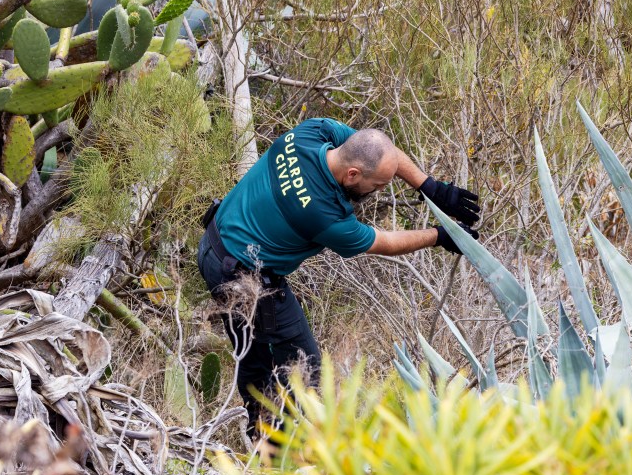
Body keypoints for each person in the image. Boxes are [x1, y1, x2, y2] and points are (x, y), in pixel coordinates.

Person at [197, 117, 480, 441]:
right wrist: (438, 236)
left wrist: (431, 187)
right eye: (377, 187)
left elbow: (378, 148)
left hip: (214, 243)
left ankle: (261, 437)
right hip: (242, 279)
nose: (377, 193)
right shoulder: (323, 215)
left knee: (255, 355)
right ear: (353, 175)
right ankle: (278, 450)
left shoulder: (312, 132)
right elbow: (384, 243)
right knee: (304, 366)